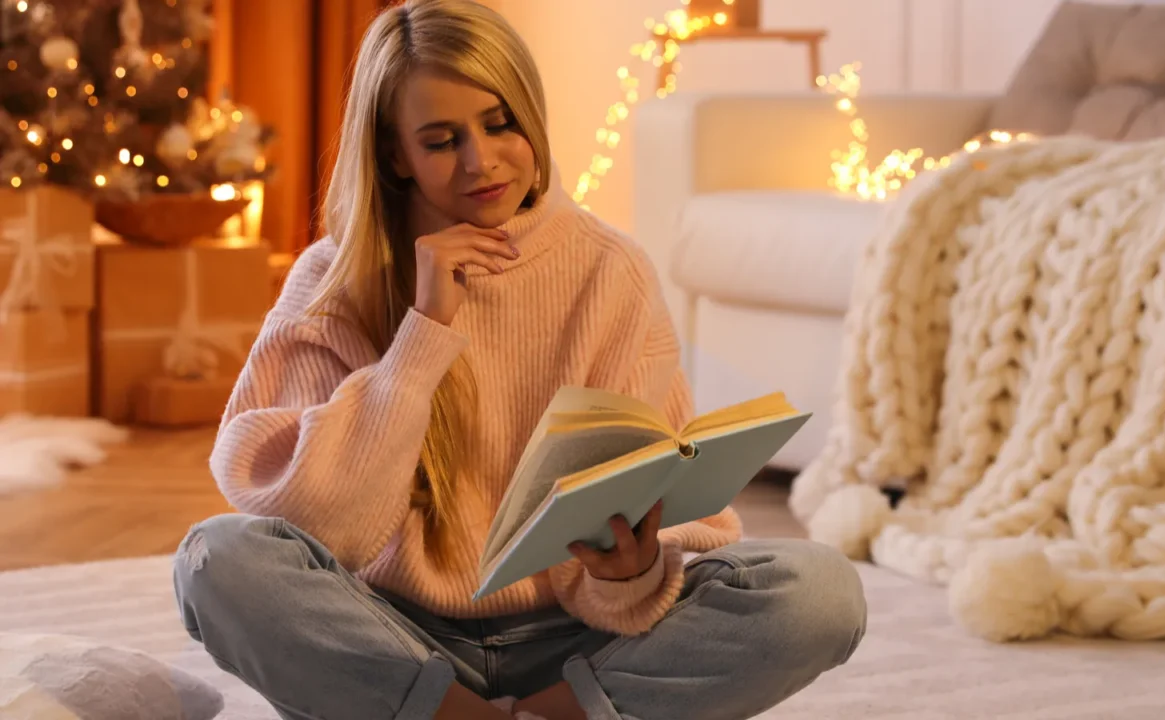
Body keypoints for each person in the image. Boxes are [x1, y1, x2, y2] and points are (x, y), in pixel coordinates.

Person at [172, 1, 866, 718]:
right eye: (441, 140)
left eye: (500, 123)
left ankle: (541, 712)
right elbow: (326, 525)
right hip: (396, 640)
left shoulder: (611, 270)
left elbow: (638, 508)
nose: (481, 161)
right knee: (217, 560)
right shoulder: (333, 280)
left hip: (573, 642)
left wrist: (628, 573)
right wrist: (423, 334)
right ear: (393, 156)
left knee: (818, 591)